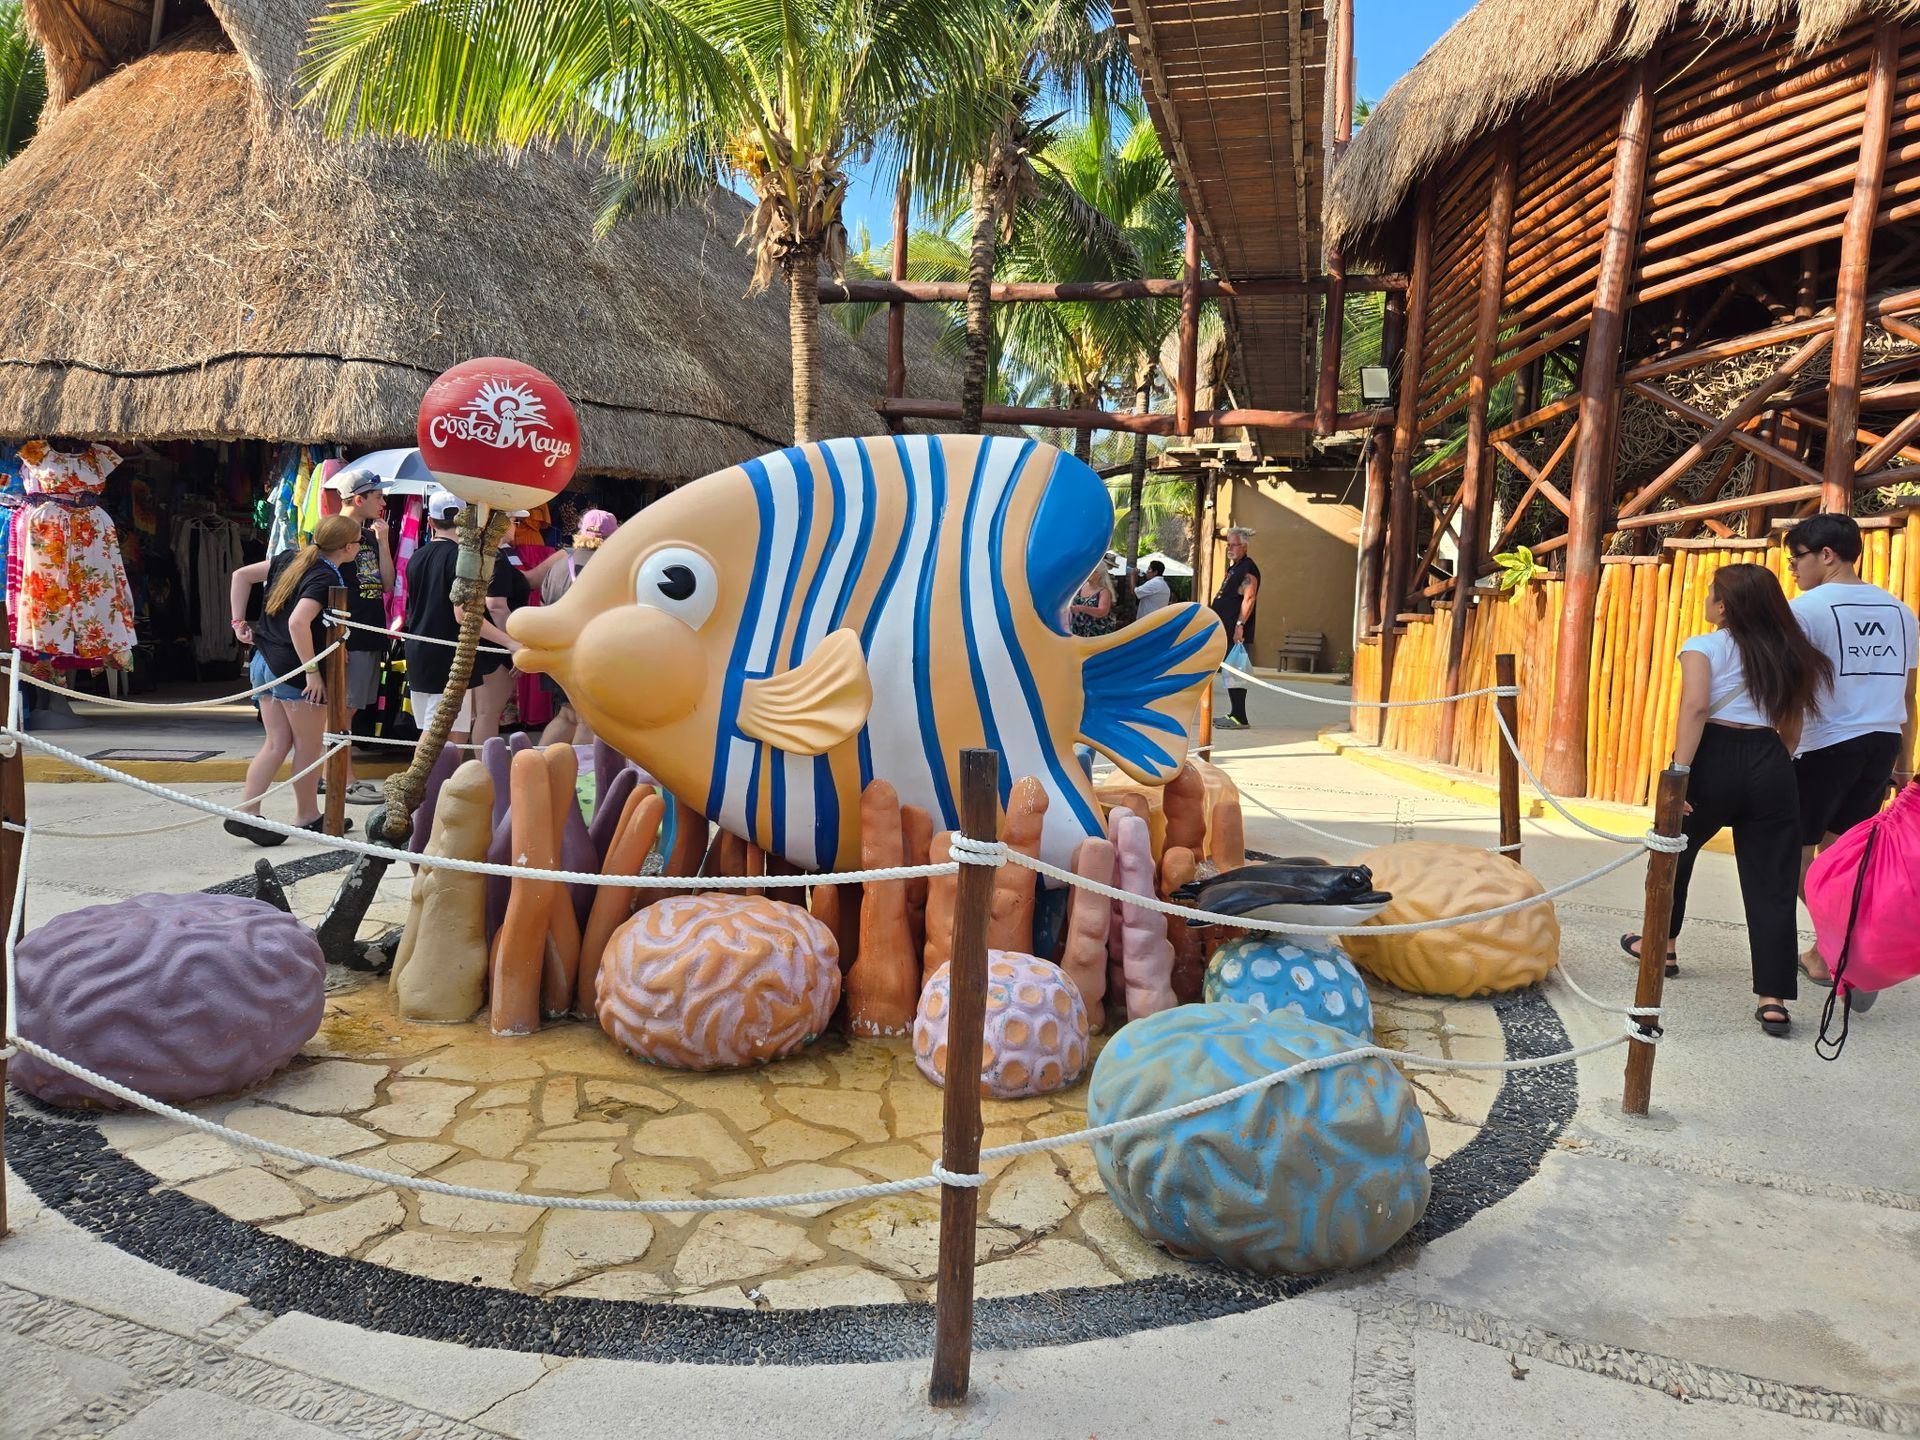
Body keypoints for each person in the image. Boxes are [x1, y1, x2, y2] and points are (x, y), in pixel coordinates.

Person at [1625, 564, 1832, 1036]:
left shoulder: (1703, 646)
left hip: (1711, 759)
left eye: (1711, 593)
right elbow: (1793, 727)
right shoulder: (1789, 653)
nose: (1706, 600)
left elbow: (1695, 708)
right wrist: (1771, 763)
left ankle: (1662, 946)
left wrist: (1679, 774)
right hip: (1769, 759)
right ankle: (1773, 997)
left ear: (1723, 607)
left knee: (1673, 852)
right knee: (1772, 881)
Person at [1783, 513, 1920, 999]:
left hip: (1824, 745)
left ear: (1827, 554)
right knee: (1842, 855)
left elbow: (1791, 692)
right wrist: (1904, 764)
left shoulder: (1805, 610)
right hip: (1880, 744)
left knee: (1796, 855)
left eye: (1796, 557)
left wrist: (1782, 749)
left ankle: (1842, 945)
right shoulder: (1901, 612)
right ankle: (1829, 953)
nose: (1792, 569)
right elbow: (1908, 696)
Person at [225, 515, 363, 845]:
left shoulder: (290, 557)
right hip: (294, 670)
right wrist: (313, 673)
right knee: (308, 746)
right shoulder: (322, 576)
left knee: (276, 743)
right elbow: (299, 623)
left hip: (263, 661)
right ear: (347, 547)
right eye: (359, 542)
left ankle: (248, 810)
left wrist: (238, 622)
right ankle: (307, 815)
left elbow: (241, 576)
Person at [321, 467, 394, 804]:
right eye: (377, 496)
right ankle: (342, 779)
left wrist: (383, 542)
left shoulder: (367, 535)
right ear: (359, 498)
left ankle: (335, 776)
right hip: (350, 634)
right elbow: (324, 586)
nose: (383, 502)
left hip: (368, 630)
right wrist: (339, 637)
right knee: (344, 710)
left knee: (349, 709)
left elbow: (387, 584)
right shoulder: (335, 534)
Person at [523, 509, 620, 744]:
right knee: (588, 720)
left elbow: (544, 604)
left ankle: (541, 765)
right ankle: (580, 777)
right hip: (590, 656)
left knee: (566, 715)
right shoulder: (610, 568)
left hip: (556, 652)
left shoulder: (558, 565)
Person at [1210, 527, 1260, 728]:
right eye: (1228, 544)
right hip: (1224, 628)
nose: (1230, 548)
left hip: (1234, 630)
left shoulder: (1248, 568)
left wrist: (1240, 625)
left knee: (1235, 672)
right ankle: (1234, 714)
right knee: (1229, 672)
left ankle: (1240, 717)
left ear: (1244, 546)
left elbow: (1249, 597)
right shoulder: (1235, 568)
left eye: (1234, 545)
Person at [1069, 561, 1117, 636]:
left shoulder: (1104, 592)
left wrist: (1081, 608)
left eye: (1092, 571)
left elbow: (1102, 612)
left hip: (1095, 631)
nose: (1088, 573)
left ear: (1099, 574)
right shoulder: (1080, 587)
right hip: (1078, 629)